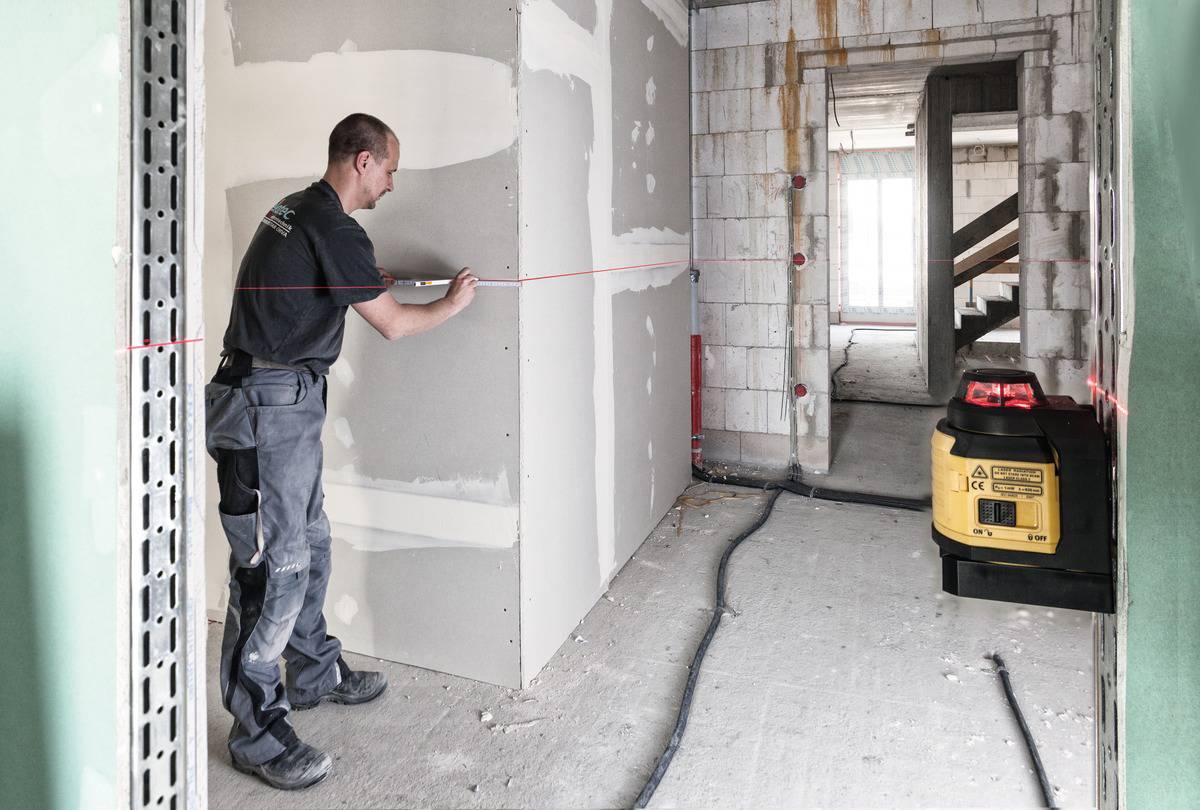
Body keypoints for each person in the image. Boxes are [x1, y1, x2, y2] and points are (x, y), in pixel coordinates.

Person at [204, 112, 477, 791]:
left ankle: (315, 671)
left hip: (281, 400)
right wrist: (453, 303)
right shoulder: (331, 226)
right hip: (265, 408)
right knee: (274, 567)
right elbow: (392, 326)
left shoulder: (297, 211)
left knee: (311, 543)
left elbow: (316, 286)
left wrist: (362, 275)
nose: (391, 183)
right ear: (362, 160)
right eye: (388, 168)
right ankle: (258, 733)